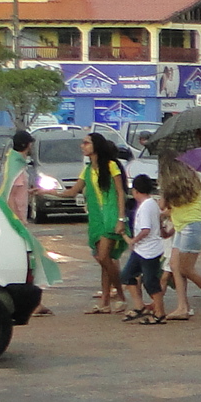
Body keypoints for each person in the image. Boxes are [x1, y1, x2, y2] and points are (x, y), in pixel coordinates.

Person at [63, 131, 128, 314]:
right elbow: (72, 191)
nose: (82, 146)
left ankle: (121, 296)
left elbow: (120, 193)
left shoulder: (111, 165)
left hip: (111, 217)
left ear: (95, 146)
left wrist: (121, 218)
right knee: (103, 260)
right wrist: (44, 192)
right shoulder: (88, 170)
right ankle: (105, 302)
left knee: (103, 257)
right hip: (97, 219)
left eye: (86, 143)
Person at [162, 167, 201, 320]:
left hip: (191, 226)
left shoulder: (171, 188)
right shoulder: (193, 182)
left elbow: (163, 206)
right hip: (186, 226)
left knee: (185, 268)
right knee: (175, 265)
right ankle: (182, 306)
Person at [119, 174, 170, 324]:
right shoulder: (151, 204)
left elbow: (145, 229)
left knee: (150, 281)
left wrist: (133, 240)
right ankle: (139, 306)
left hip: (149, 250)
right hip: (142, 249)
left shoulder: (147, 206)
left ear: (135, 191)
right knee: (127, 275)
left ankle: (160, 312)